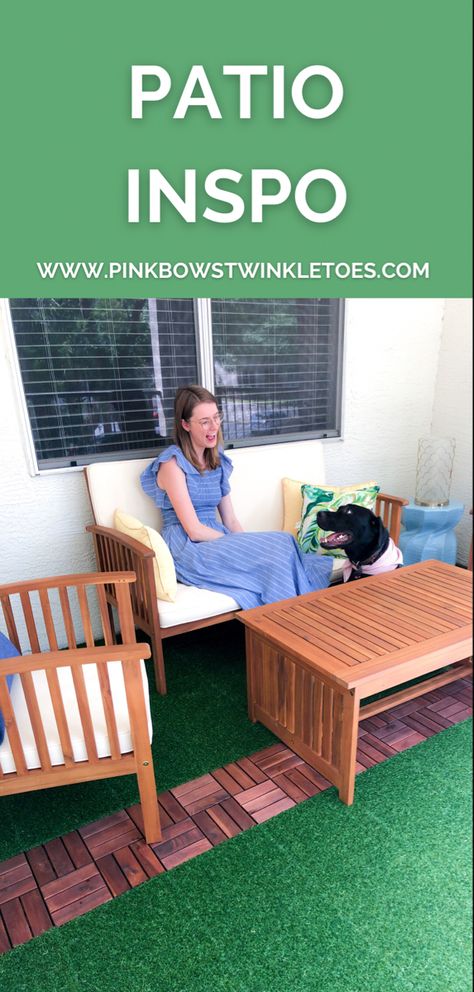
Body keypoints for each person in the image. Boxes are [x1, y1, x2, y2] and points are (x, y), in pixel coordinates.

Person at [140, 385, 333, 609]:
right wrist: (240, 544)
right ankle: (289, 620)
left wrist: (249, 544)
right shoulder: (172, 465)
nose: (214, 427)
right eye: (204, 421)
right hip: (189, 545)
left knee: (283, 544)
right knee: (281, 543)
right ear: (185, 425)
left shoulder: (217, 460)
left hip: (215, 537)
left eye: (216, 417)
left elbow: (230, 520)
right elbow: (193, 529)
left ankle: (295, 616)